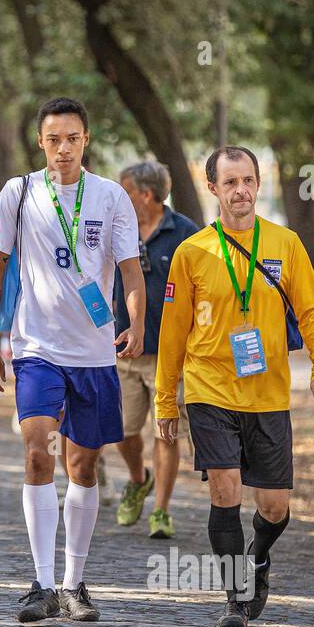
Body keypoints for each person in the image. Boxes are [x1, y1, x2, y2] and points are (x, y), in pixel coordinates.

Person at [156, 145, 314, 627]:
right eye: (230, 182)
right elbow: (172, 334)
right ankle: (236, 599)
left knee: (275, 507)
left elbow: (313, 312)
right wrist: (165, 399)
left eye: (249, 181)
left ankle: (256, 562)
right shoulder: (192, 252)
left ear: (259, 185)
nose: (241, 190)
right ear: (212, 188)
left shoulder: (285, 244)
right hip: (208, 388)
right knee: (225, 490)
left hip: (269, 393)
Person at [0, 97, 145, 623]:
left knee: (84, 464)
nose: (63, 148)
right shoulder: (19, 192)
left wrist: (136, 321)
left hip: (93, 354)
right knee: (36, 452)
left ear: (86, 140)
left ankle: (75, 582)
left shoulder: (111, 197)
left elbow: (132, 271)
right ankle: (42, 583)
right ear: (41, 143)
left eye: (72, 138)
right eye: (54, 139)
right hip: (36, 349)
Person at [110, 161, 199, 538]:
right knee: (122, 432)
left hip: (169, 356)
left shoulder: (185, 234)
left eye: (125, 190)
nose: (119, 196)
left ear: (145, 194)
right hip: (122, 351)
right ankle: (137, 478)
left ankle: (161, 510)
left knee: (167, 433)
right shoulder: (115, 227)